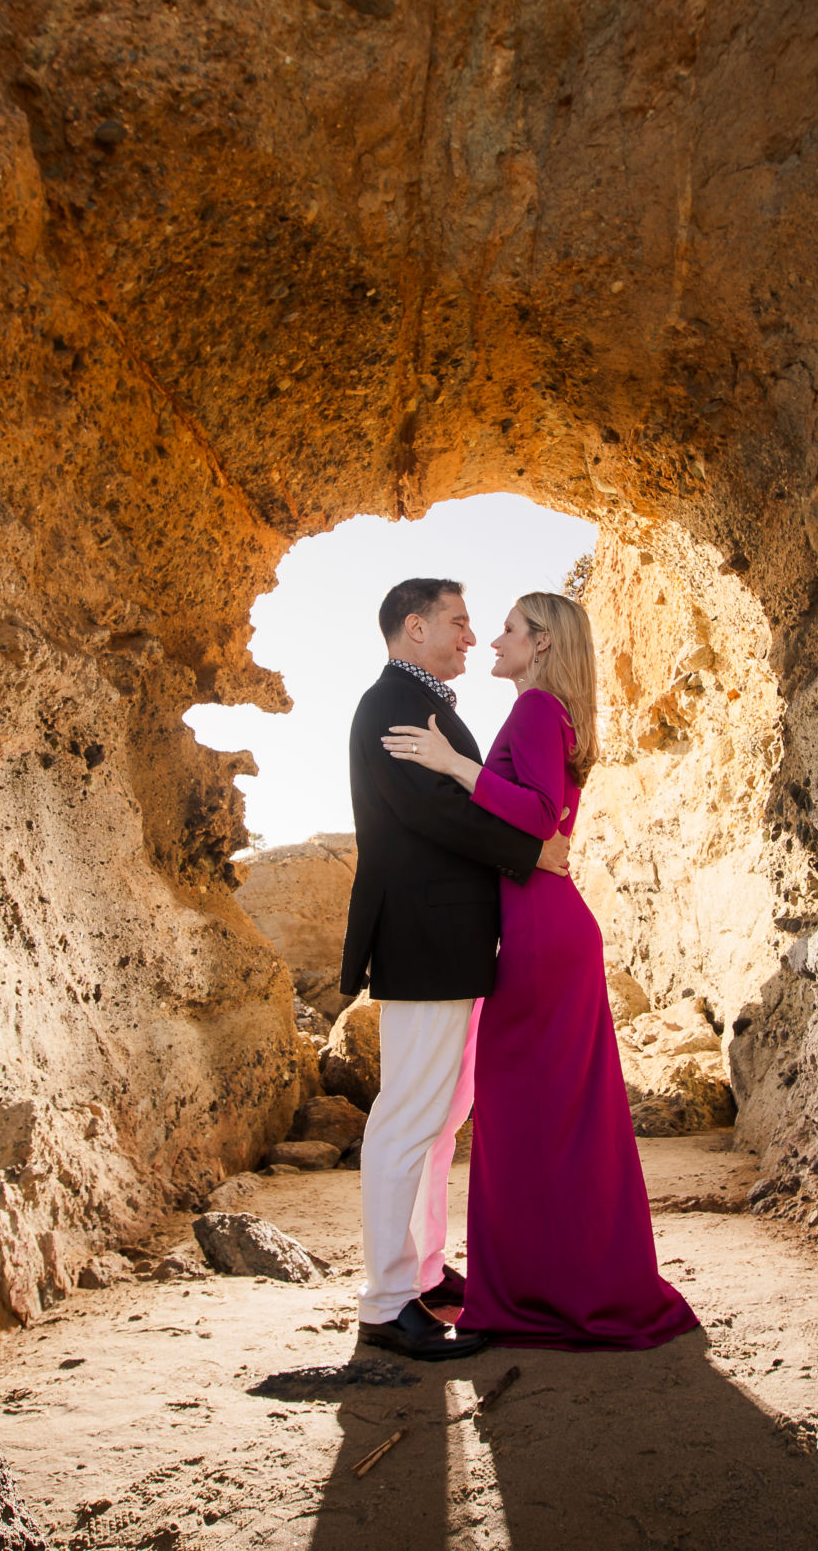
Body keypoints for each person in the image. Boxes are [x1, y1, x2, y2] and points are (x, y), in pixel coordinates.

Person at [381, 592, 698, 1349]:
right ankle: (566, 1279)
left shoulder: (533, 712)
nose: (493, 637)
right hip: (549, 926)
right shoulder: (552, 714)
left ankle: (538, 1290)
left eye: (512, 628)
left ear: (545, 644)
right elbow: (542, 821)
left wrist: (454, 764)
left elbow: (540, 811)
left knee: (525, 1119)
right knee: (557, 1118)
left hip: (538, 934)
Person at [344, 577, 573, 1362]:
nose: (471, 636)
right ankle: (384, 1302)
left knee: (438, 1122)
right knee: (407, 1120)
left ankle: (427, 1272)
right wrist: (531, 850)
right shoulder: (391, 705)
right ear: (414, 627)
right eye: (458, 622)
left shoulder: (423, 702)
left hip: (452, 943)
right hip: (425, 941)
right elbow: (432, 812)